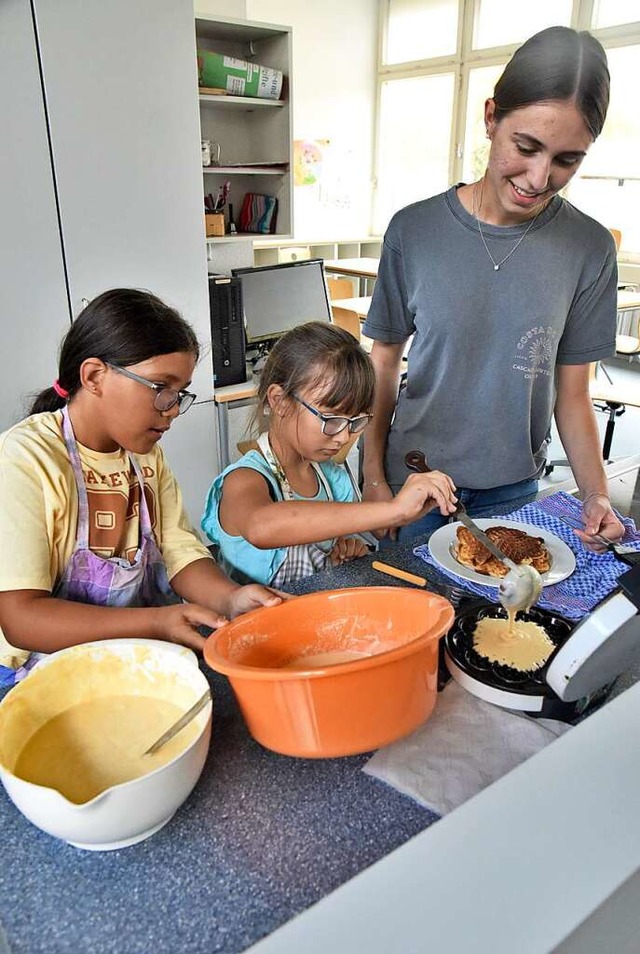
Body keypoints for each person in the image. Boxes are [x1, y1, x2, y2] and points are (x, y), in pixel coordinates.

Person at [362, 25, 625, 551]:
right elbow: (384, 362)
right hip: (413, 481)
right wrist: (372, 476)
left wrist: (596, 494)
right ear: (490, 118)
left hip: (514, 490)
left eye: (567, 160)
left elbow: (572, 394)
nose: (538, 177)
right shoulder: (413, 231)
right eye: (525, 147)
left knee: (502, 627)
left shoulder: (589, 248)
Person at [0, 288, 283, 674]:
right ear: (95, 375)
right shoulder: (25, 459)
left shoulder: (145, 456)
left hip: (131, 655)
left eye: (179, 394)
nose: (172, 410)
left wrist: (230, 598)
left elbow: (179, 551)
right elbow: (22, 619)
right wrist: (155, 622)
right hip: (40, 671)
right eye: (160, 389)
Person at [201, 322, 457, 587]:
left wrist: (343, 552)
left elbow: (328, 540)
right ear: (279, 401)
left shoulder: (332, 479)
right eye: (331, 419)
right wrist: (395, 510)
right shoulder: (245, 479)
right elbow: (261, 527)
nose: (344, 437)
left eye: (356, 421)